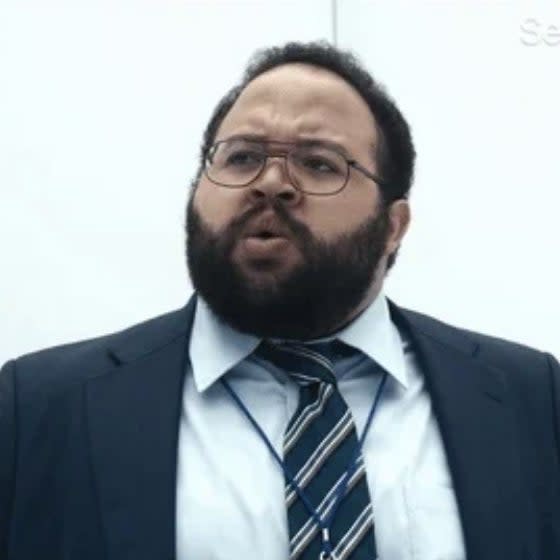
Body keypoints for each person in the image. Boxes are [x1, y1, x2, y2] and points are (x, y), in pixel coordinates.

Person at [0, 41, 559, 560]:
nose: (270, 183)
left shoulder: (530, 398)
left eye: (319, 163)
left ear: (393, 226)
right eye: (241, 157)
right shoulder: (40, 407)